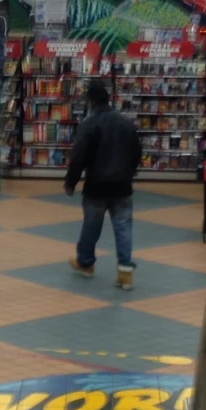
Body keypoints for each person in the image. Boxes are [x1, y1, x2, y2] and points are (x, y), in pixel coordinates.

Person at [66, 79, 141, 289]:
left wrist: (71, 182)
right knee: (123, 227)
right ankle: (126, 273)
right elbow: (137, 152)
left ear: (91, 101)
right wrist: (129, 173)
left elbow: (79, 156)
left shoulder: (89, 125)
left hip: (96, 185)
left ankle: (86, 264)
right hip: (122, 186)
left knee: (91, 226)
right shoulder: (126, 124)